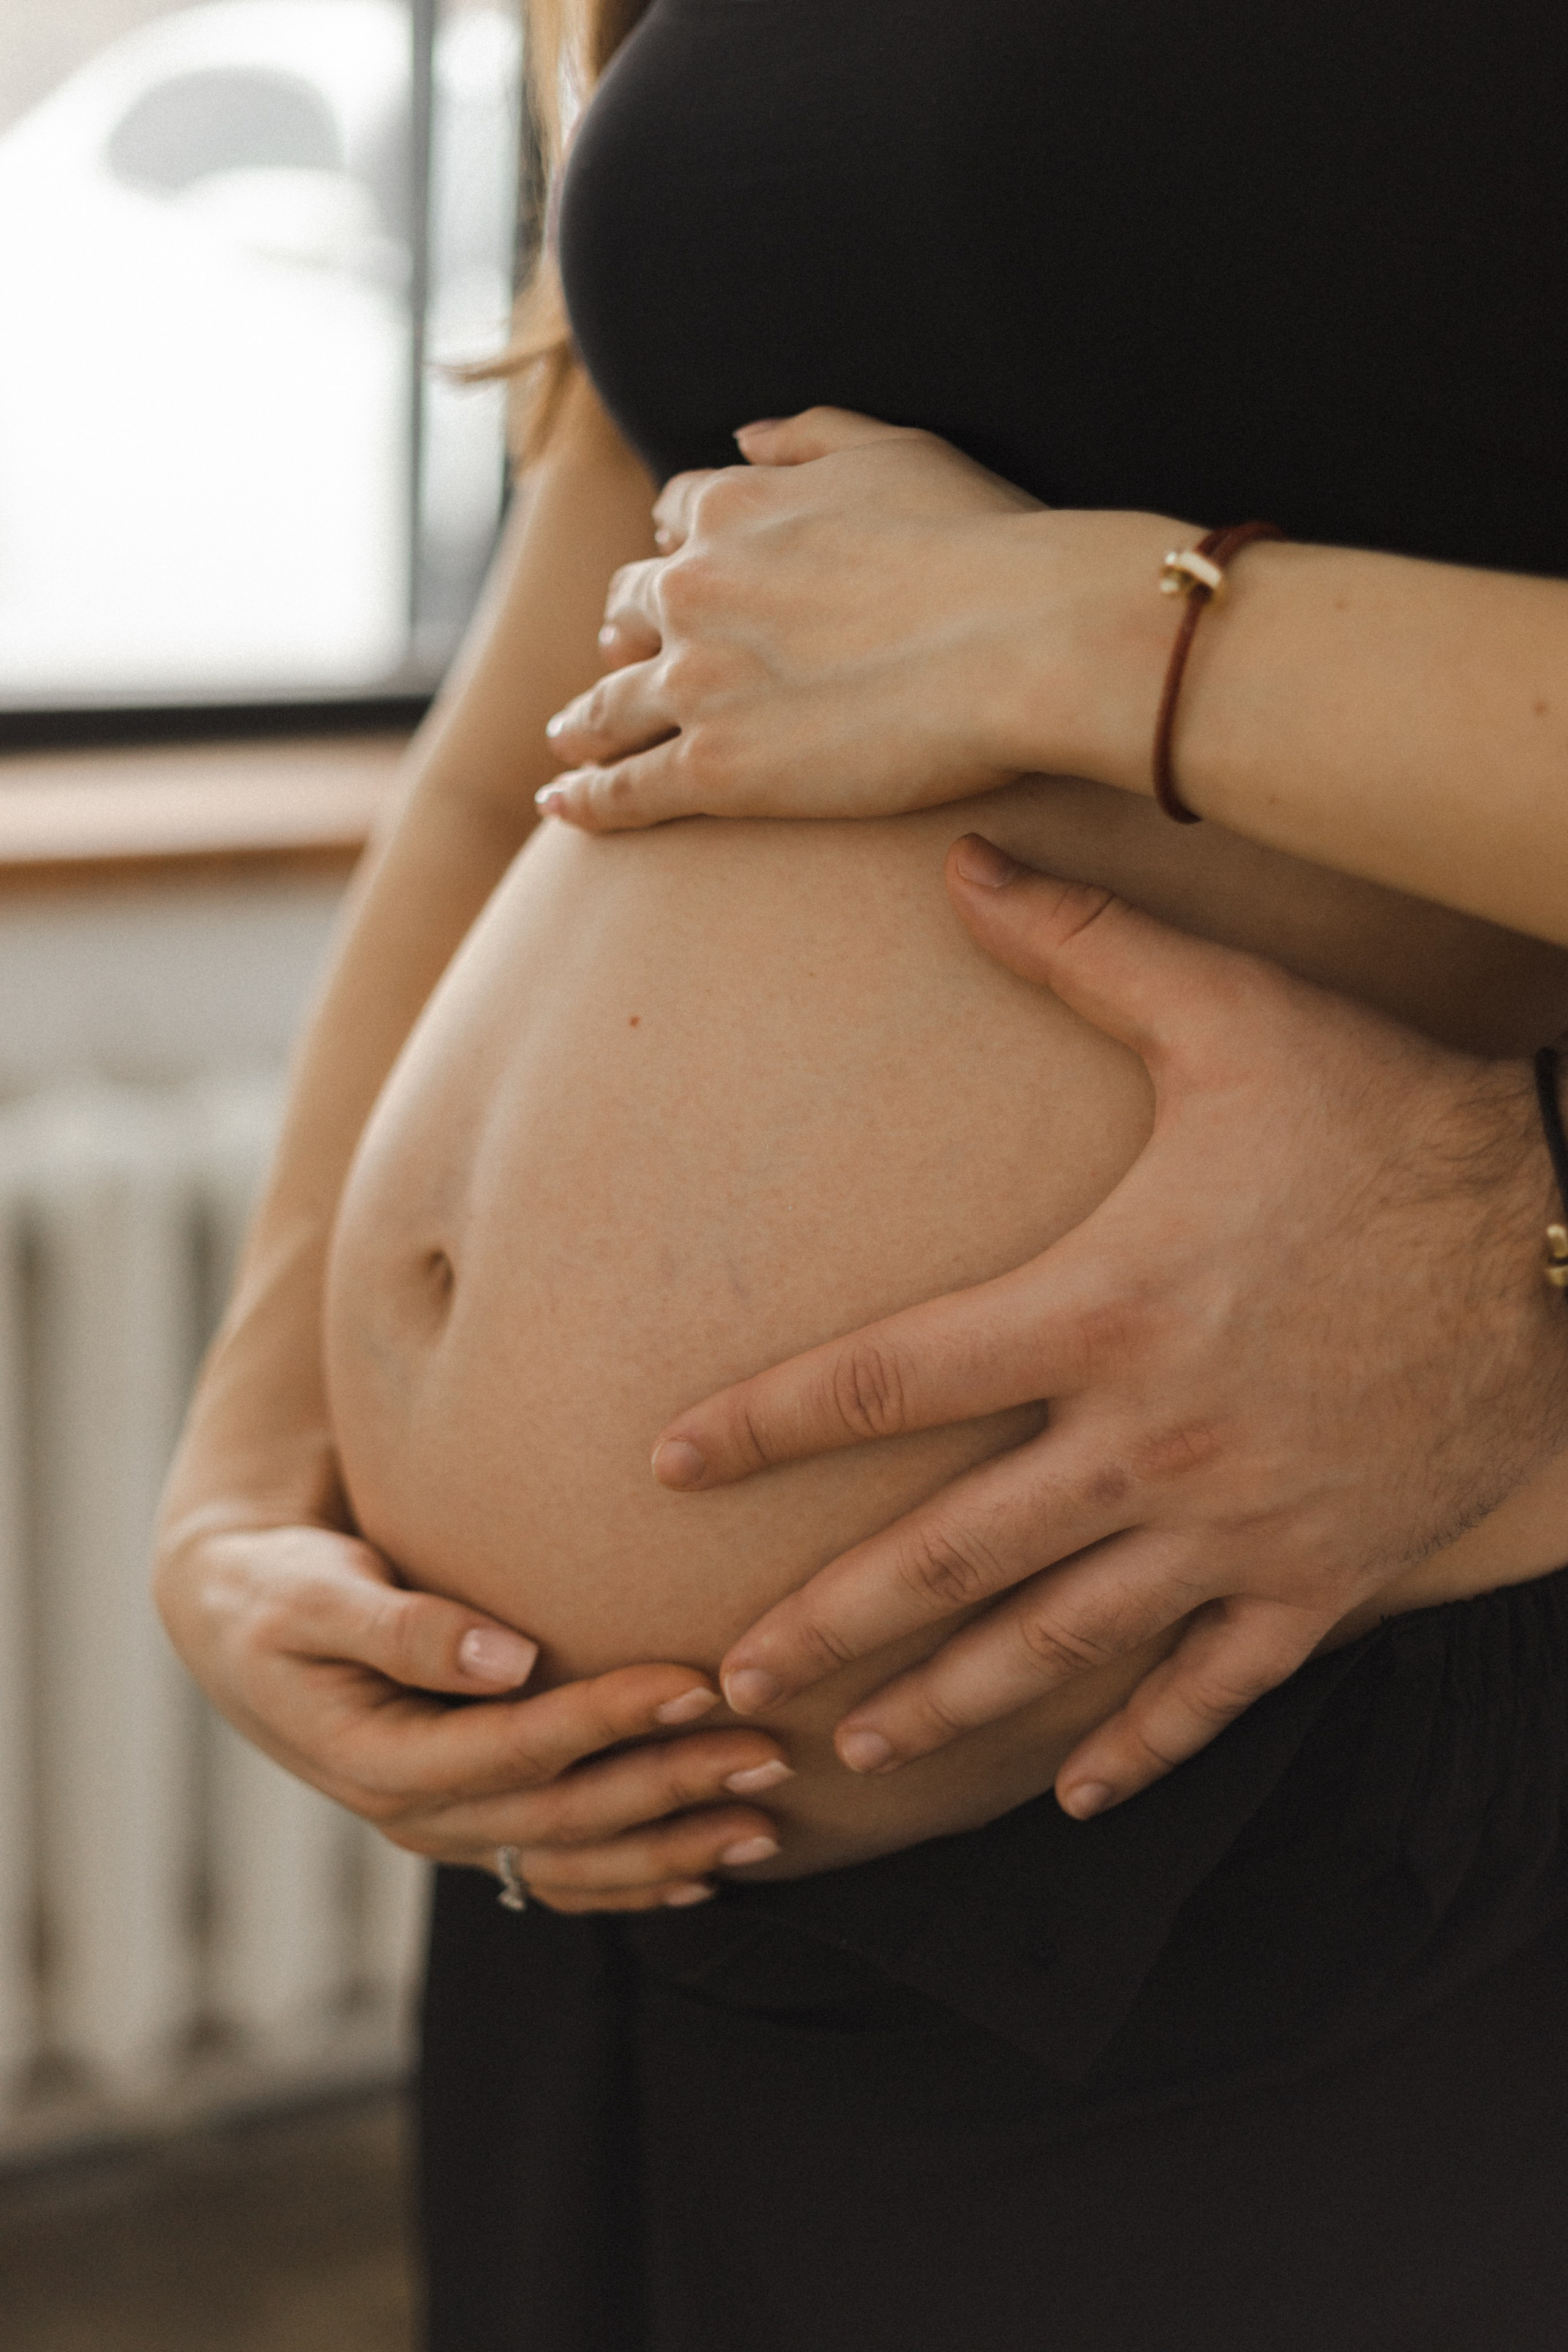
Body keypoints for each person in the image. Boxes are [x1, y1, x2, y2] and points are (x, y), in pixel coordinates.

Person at [154, 2, 1568, 2345]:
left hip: (1323, 1725)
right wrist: (248, 1454)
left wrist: (1118, 642)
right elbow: (529, 736)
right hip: (608, 1862)